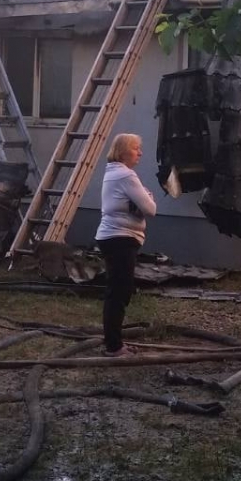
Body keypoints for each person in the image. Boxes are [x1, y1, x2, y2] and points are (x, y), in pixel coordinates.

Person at [95, 132, 156, 356]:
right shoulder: (126, 175)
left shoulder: (113, 173)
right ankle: (114, 346)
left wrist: (141, 198)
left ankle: (114, 341)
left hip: (114, 238)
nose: (140, 153)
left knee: (118, 291)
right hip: (120, 239)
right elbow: (150, 208)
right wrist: (146, 196)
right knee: (119, 294)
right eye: (135, 148)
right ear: (122, 152)